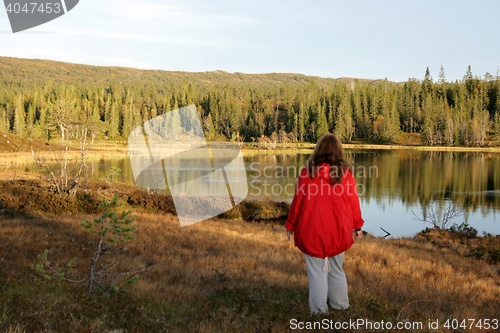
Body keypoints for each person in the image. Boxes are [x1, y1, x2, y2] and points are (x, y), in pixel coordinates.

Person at [284, 133, 364, 315]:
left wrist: (290, 225)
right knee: (336, 268)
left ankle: (319, 311)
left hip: (312, 229)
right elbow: (354, 203)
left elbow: (298, 202)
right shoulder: (346, 174)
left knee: (317, 272)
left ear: (318, 150)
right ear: (339, 151)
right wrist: (357, 226)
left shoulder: (307, 173)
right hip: (339, 229)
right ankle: (340, 305)